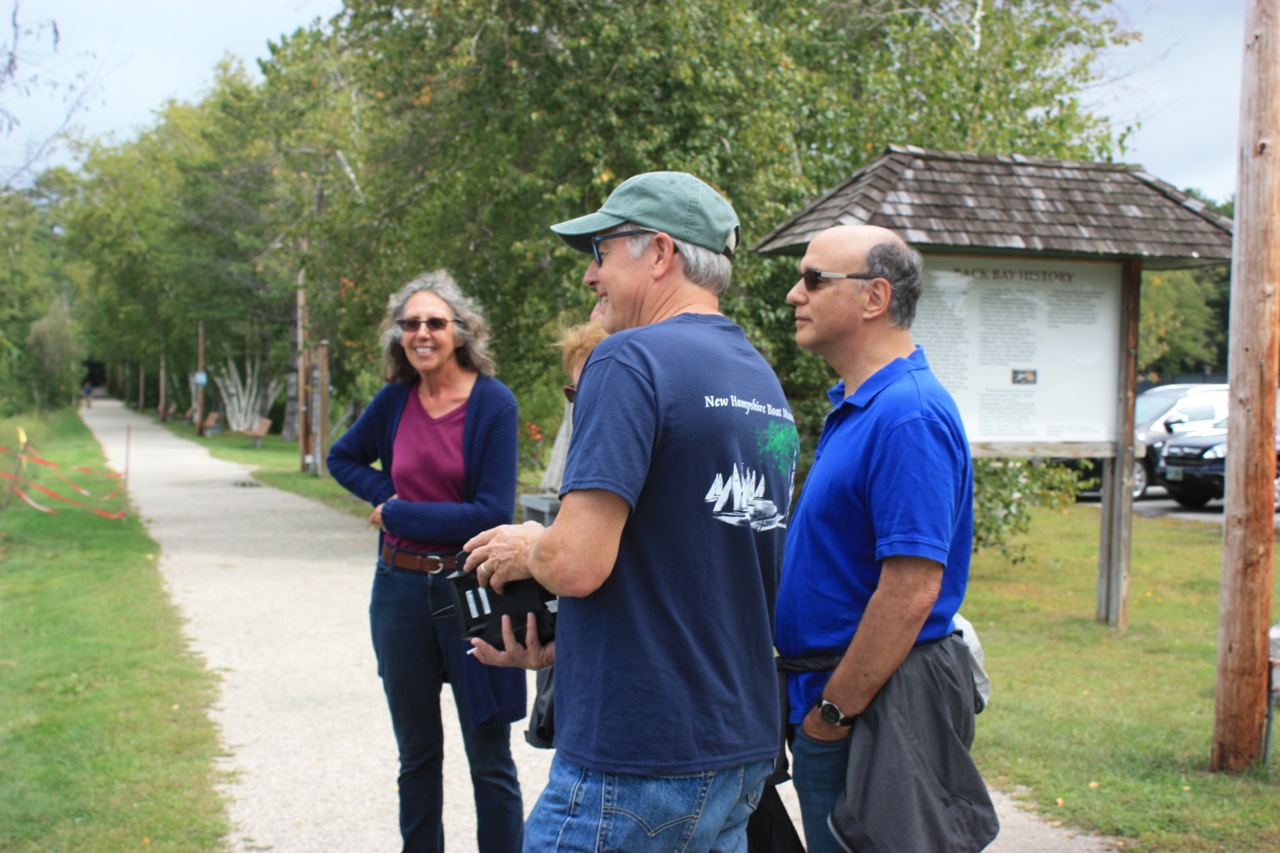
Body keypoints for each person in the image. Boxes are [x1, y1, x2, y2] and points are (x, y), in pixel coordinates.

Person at [463, 171, 799, 853]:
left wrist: (529, 545)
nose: (591, 275)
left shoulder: (628, 358)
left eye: (601, 252)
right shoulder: (758, 378)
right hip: (740, 745)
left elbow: (575, 564)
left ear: (661, 253)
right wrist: (574, 646)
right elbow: (695, 563)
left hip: (640, 753)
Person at [773, 224, 999, 852]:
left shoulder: (908, 415)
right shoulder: (865, 404)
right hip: (850, 705)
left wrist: (832, 715)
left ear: (874, 297)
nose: (795, 293)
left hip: (871, 710)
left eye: (814, 279)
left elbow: (911, 592)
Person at [327, 270, 525, 853]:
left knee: (489, 759)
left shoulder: (493, 403)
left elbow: (490, 512)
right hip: (399, 591)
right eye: (409, 323)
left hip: (475, 591)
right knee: (416, 757)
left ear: (460, 331)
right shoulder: (394, 401)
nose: (421, 333)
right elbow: (342, 458)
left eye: (434, 322)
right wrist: (383, 496)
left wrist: (399, 513)